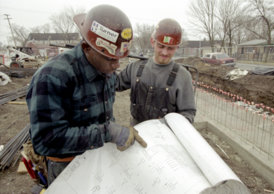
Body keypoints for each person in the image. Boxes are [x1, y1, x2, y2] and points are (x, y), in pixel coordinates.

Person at [26, 5, 147, 186]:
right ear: (87, 47)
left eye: (119, 58)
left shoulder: (106, 72)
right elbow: (47, 140)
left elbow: (103, 116)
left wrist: (111, 134)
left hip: (99, 159)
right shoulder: (53, 77)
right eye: (110, 59)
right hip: (66, 169)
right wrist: (108, 132)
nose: (116, 66)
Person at [116, 18, 196, 125]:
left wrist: (173, 126)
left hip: (165, 136)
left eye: (170, 48)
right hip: (137, 130)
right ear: (153, 42)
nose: (164, 52)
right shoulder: (135, 68)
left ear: (176, 47)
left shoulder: (183, 76)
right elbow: (113, 84)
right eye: (161, 46)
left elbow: (188, 113)